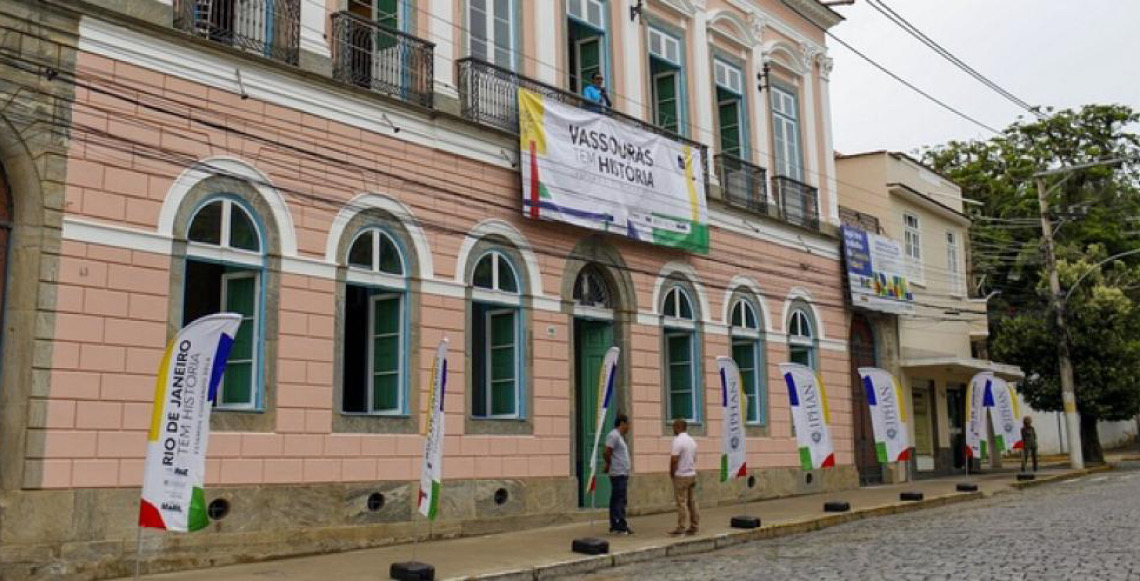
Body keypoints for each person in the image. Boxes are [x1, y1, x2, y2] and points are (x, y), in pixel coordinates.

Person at [669, 418, 699, 536]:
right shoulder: (692, 441)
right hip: (692, 474)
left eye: (674, 427)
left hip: (681, 475)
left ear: (678, 427)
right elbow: (695, 458)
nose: (673, 430)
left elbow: (674, 459)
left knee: (681, 502)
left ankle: (681, 527)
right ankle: (694, 525)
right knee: (692, 502)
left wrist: (671, 472)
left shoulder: (677, 441)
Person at [604, 414, 632, 534]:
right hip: (617, 472)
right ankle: (619, 524)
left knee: (618, 498)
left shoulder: (619, 436)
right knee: (619, 499)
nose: (629, 427)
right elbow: (606, 452)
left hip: (622, 471)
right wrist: (608, 464)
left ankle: (616, 524)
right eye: (627, 424)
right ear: (622, 423)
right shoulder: (613, 435)